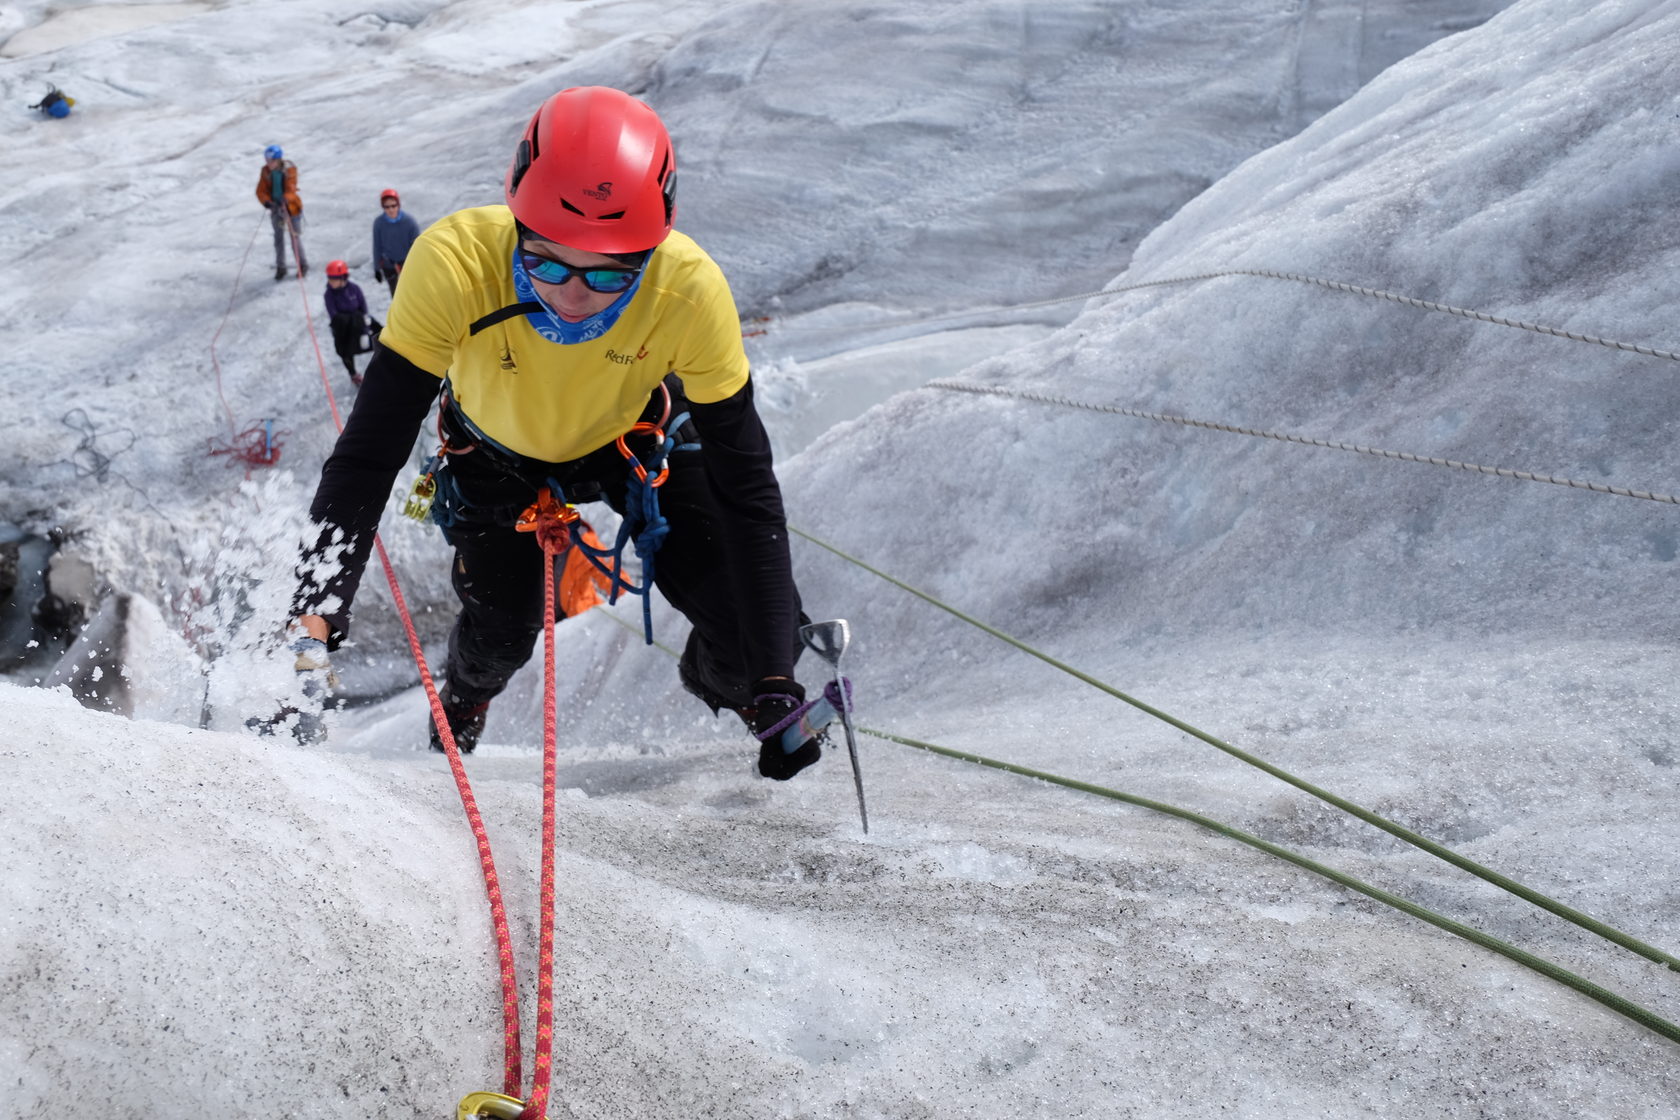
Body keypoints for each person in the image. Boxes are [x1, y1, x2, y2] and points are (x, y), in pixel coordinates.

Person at [286, 86, 822, 780]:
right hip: (494, 457)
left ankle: (735, 687)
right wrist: (314, 613)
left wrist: (772, 681)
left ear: (651, 249)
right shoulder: (454, 265)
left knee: (760, 636)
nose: (573, 296)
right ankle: (467, 696)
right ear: (515, 220)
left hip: (633, 438)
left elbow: (746, 486)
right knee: (503, 630)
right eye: (545, 262)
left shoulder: (689, 291)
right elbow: (369, 456)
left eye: (609, 273)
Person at [322, 260, 381, 385]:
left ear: (343, 278)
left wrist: (365, 321)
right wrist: (354, 320)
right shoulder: (329, 295)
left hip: (359, 320)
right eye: (329, 278)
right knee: (344, 349)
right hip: (343, 326)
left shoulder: (354, 289)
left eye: (334, 278)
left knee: (379, 334)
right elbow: (334, 315)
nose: (330, 281)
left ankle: (385, 361)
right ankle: (353, 373)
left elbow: (363, 305)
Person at [256, 144, 308, 281]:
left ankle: (302, 265)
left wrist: (285, 199)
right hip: (276, 208)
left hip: (291, 208)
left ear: (278, 159)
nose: (268, 163)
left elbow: (291, 189)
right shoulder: (266, 171)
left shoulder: (289, 170)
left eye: (271, 160)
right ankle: (281, 267)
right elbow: (261, 190)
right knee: (278, 239)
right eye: (267, 160)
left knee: (294, 238)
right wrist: (266, 201)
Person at [371, 188, 421, 296]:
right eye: (387, 207)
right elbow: (377, 246)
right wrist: (377, 268)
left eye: (393, 205)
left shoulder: (409, 222)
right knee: (396, 295)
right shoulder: (379, 223)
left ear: (398, 204)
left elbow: (418, 245)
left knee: (412, 293)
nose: (391, 209)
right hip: (389, 265)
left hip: (408, 264)